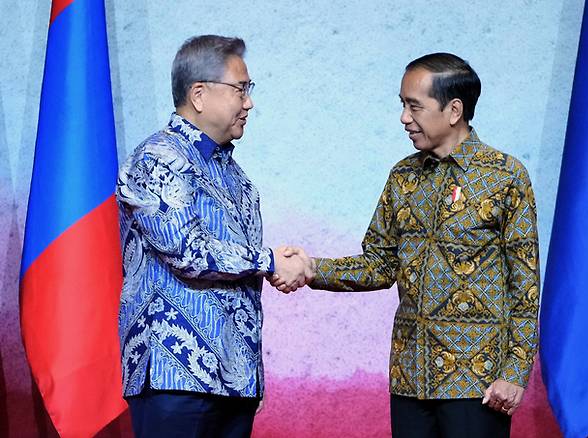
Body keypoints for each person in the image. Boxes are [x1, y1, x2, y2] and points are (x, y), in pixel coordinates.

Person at [272, 53, 540, 438]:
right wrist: (312, 267)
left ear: (454, 110)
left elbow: (525, 286)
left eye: (414, 105)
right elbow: (380, 264)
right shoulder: (403, 176)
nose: (403, 117)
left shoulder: (505, 176)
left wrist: (514, 373)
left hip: (478, 385)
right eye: (402, 104)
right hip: (410, 378)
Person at [116, 35, 308, 438]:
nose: (249, 102)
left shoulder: (237, 178)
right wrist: (270, 261)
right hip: (175, 376)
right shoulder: (158, 158)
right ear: (199, 94)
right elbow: (189, 252)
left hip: (233, 382)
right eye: (241, 89)